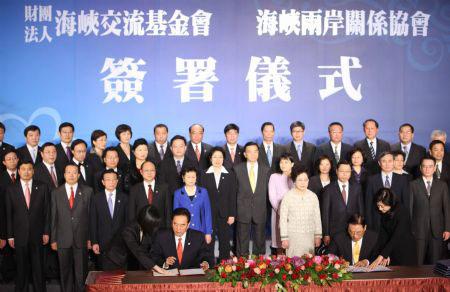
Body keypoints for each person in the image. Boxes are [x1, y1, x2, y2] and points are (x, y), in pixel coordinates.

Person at [5, 161, 49, 292]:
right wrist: (10, 235)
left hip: (38, 235)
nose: (26, 172)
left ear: (33, 171)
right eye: (23, 169)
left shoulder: (42, 187)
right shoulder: (11, 189)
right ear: (18, 171)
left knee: (39, 268)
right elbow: (8, 214)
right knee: (21, 269)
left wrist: (46, 232)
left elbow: (47, 211)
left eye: (29, 169)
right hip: (19, 235)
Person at [51, 163, 93, 292]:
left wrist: (91, 238)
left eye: (74, 172)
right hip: (62, 239)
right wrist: (53, 239)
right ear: (64, 175)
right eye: (68, 172)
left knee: (81, 274)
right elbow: (53, 217)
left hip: (82, 238)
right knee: (65, 273)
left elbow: (91, 216)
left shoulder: (88, 191)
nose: (71, 175)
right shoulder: (56, 192)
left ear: (79, 175)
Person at [410, 156, 450, 265]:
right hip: (418, 230)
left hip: (438, 230)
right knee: (417, 263)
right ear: (420, 168)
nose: (427, 169)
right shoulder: (413, 185)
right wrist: (410, 229)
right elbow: (410, 209)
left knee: (435, 264)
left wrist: (447, 228)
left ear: (434, 168)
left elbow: (446, 208)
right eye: (424, 167)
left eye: (430, 166)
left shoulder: (442, 185)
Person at [103, 205, 167, 273]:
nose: (155, 228)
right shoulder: (128, 230)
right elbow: (138, 252)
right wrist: (155, 267)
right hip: (113, 261)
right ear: (146, 223)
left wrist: (152, 266)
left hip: (126, 260)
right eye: (153, 225)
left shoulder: (144, 228)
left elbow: (145, 251)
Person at [200, 147, 237, 262]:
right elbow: (201, 196)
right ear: (210, 159)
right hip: (208, 213)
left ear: (223, 159)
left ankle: (224, 265)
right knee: (208, 239)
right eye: (215, 157)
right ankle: (209, 264)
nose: (217, 159)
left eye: (220, 157)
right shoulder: (204, 174)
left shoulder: (230, 174)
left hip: (225, 213)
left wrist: (232, 214)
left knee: (224, 240)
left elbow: (232, 195)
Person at [234, 142, 270, 256]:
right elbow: (234, 192)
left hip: (260, 209)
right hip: (242, 210)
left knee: (259, 241)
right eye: (249, 151)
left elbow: (269, 192)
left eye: (255, 151)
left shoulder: (266, 169)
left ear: (258, 153)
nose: (253, 154)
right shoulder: (237, 169)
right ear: (245, 154)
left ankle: (259, 267)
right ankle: (241, 265)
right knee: (242, 241)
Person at [279, 165, 322, 257]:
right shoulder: (288, 196)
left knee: (309, 265)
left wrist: (318, 235)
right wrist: (284, 238)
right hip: (293, 237)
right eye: (300, 180)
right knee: (293, 266)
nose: (303, 183)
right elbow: (283, 219)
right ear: (294, 181)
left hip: (309, 236)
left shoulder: (313, 196)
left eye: (305, 180)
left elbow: (317, 217)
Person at [90, 169, 128, 270]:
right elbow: (93, 222)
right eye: (108, 180)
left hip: (120, 244)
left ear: (117, 181)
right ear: (103, 182)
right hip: (102, 244)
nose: (111, 182)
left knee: (120, 276)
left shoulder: (124, 198)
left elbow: (128, 221)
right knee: (104, 276)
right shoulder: (96, 198)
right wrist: (94, 242)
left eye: (113, 180)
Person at [369, 188, 417, 268]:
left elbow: (396, 236)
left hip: (405, 250)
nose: (379, 209)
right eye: (378, 205)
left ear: (390, 203)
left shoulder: (402, 211)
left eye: (382, 206)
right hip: (391, 250)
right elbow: (383, 236)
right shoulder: (384, 212)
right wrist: (384, 255)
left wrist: (381, 256)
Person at [321, 161, 364, 246]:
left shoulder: (357, 188)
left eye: (347, 171)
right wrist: (326, 234)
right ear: (337, 171)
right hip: (334, 231)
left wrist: (361, 229)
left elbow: (361, 210)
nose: (345, 174)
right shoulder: (328, 189)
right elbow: (325, 213)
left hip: (352, 231)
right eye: (342, 171)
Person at [365, 152, 410, 232]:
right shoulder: (371, 180)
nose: (387, 164)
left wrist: (405, 222)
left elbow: (405, 203)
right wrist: (369, 224)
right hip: (377, 221)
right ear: (379, 163)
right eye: (384, 161)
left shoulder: (402, 179)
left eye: (390, 161)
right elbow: (368, 204)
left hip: (397, 221)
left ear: (393, 162)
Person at [173, 167, 213, 245]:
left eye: (193, 177)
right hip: (184, 231)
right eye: (188, 177)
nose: (191, 179)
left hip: (200, 229)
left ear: (196, 178)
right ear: (183, 178)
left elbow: (207, 213)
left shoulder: (203, 192)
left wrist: (208, 232)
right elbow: (176, 216)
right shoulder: (177, 193)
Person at [128, 161, 171, 228]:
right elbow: (131, 214)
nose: (149, 173)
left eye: (152, 170)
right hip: (141, 229)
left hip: (160, 229)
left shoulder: (164, 188)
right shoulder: (134, 189)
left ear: (155, 171)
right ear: (141, 172)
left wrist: (168, 229)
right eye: (146, 170)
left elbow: (168, 211)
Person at [268, 153, 294, 254]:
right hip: (278, 212)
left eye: (286, 162)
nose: (283, 165)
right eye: (281, 162)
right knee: (279, 242)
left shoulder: (297, 177)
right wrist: (281, 212)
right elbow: (272, 197)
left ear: (292, 164)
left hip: (295, 215)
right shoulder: (274, 177)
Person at [0, 149, 18, 281]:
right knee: (7, 253)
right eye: (9, 159)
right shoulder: (1, 179)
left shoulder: (25, 175)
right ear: (4, 162)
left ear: (18, 160)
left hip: (23, 222)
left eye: (14, 158)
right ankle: (8, 278)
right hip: (5, 222)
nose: (12, 161)